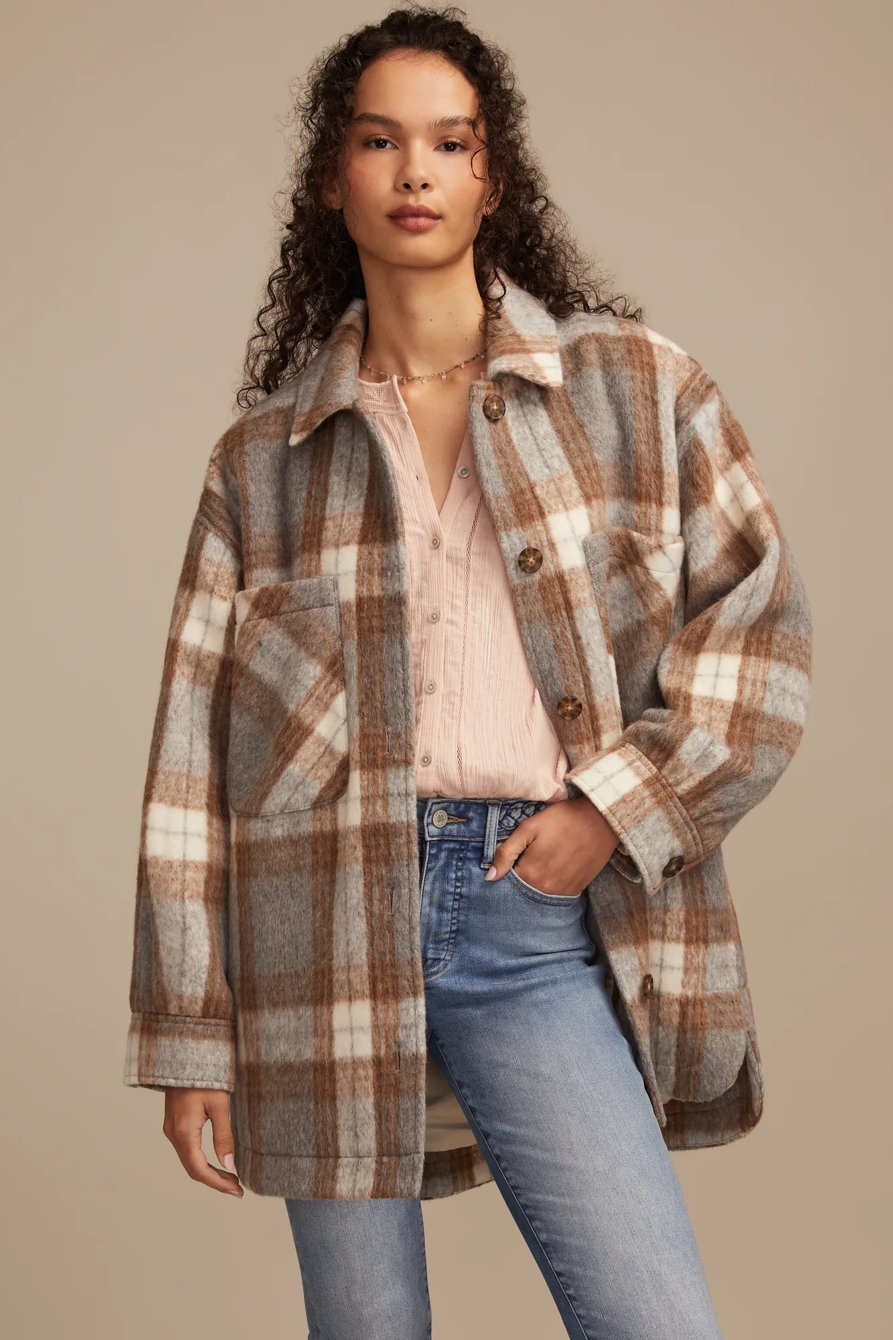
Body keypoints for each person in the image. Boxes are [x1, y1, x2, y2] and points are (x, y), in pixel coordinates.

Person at [123, 6, 813, 1338]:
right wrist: (188, 1033)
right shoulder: (261, 463)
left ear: (494, 178)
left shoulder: (637, 392)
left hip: (526, 922)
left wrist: (608, 809)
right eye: (379, 141)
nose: (415, 173)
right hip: (314, 942)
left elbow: (762, 639)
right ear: (333, 178)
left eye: (451, 142)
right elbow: (189, 772)